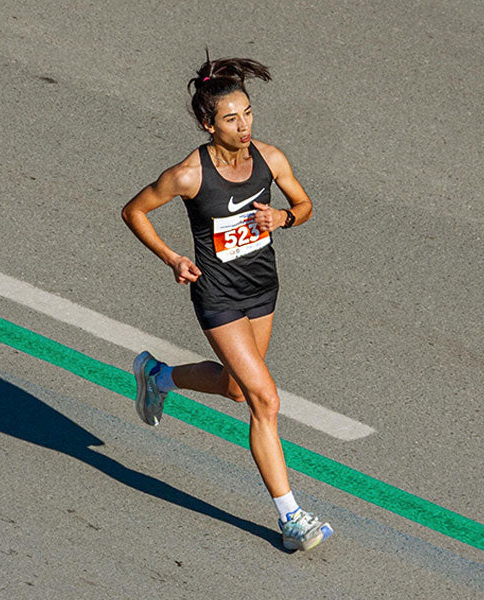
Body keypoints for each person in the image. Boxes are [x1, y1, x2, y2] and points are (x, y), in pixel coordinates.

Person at [121, 54, 333, 551]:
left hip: (263, 289)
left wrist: (283, 219)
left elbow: (304, 206)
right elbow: (134, 211)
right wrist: (172, 257)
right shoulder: (189, 175)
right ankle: (292, 519)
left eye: (248, 114)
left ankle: (158, 377)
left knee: (237, 390)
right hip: (217, 296)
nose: (243, 126)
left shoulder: (270, 158)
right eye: (231, 119)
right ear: (207, 122)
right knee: (265, 399)